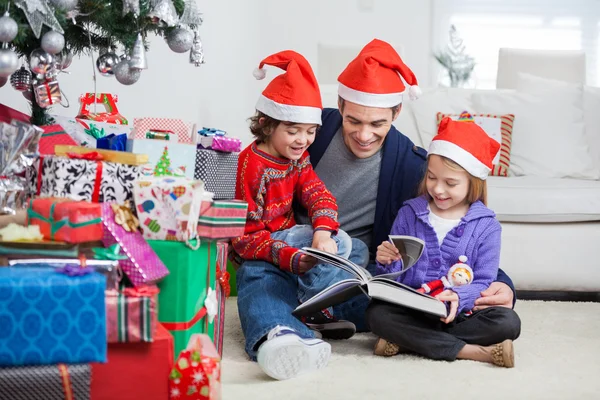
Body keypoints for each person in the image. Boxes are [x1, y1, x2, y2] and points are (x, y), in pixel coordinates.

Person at [299, 39, 516, 333]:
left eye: (377, 124)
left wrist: (504, 285)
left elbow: (457, 240)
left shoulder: (414, 167)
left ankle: (298, 314)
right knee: (259, 275)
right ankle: (284, 327)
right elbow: (265, 163)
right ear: (339, 105)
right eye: (353, 121)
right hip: (297, 251)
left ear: (396, 113)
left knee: (391, 302)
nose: (364, 135)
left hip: (355, 270)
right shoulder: (311, 131)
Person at [232, 50, 360, 381]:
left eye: (310, 132)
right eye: (293, 130)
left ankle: (303, 319)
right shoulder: (251, 166)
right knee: (257, 282)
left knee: (346, 246)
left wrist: (321, 232)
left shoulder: (297, 158)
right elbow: (243, 238)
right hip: (260, 248)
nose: (303, 140)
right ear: (266, 124)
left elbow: (318, 193)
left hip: (290, 244)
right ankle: (280, 335)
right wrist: (287, 256)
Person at [367, 117, 521, 367]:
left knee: (509, 322)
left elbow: (484, 280)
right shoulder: (410, 213)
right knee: (377, 315)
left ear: (474, 183)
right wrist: (388, 262)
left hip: (460, 313)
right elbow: (397, 275)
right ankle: (473, 351)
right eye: (431, 178)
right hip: (414, 310)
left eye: (450, 183)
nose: (438, 189)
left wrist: (460, 297)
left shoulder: (487, 225)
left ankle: (407, 342)